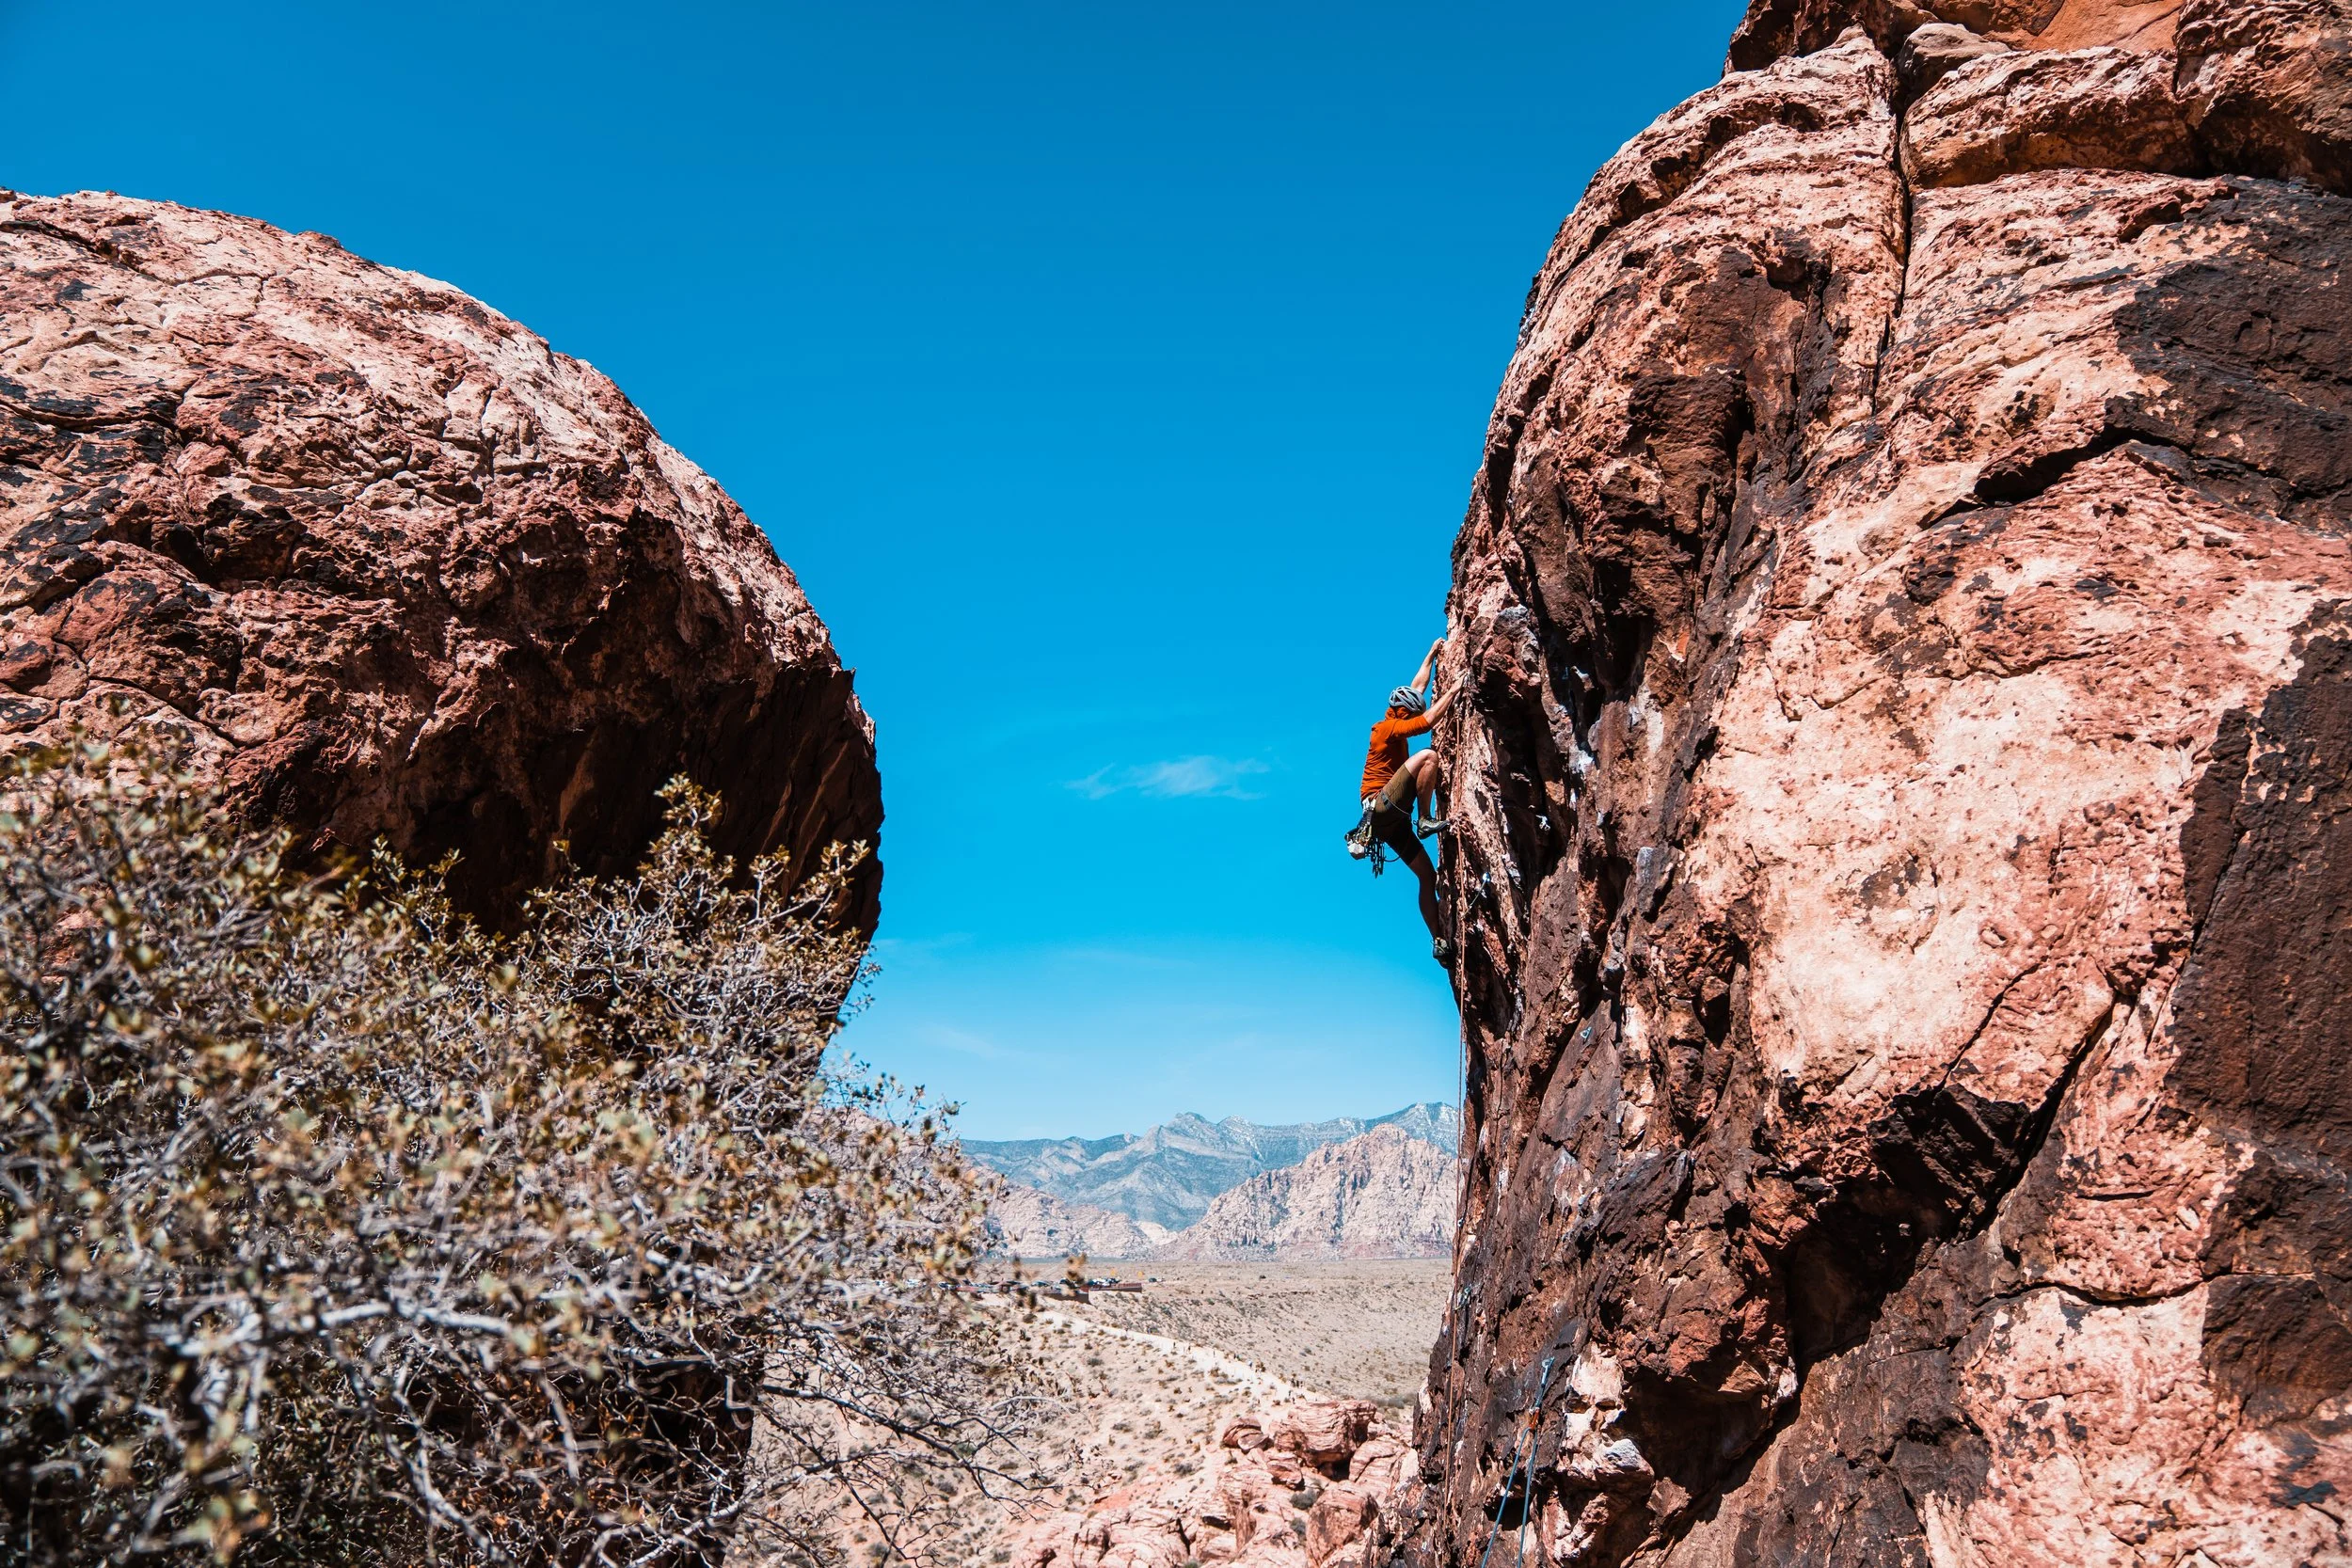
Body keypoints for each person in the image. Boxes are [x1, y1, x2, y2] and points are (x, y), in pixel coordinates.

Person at [1357, 637, 1455, 959]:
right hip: (1381, 806)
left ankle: (1438, 940)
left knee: (1428, 876)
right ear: (1402, 712)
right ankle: (1425, 819)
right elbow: (1426, 721)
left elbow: (1417, 688)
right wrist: (1455, 691)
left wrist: (1430, 657)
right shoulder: (1385, 729)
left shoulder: (1394, 716)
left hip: (1389, 823)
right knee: (1428, 757)